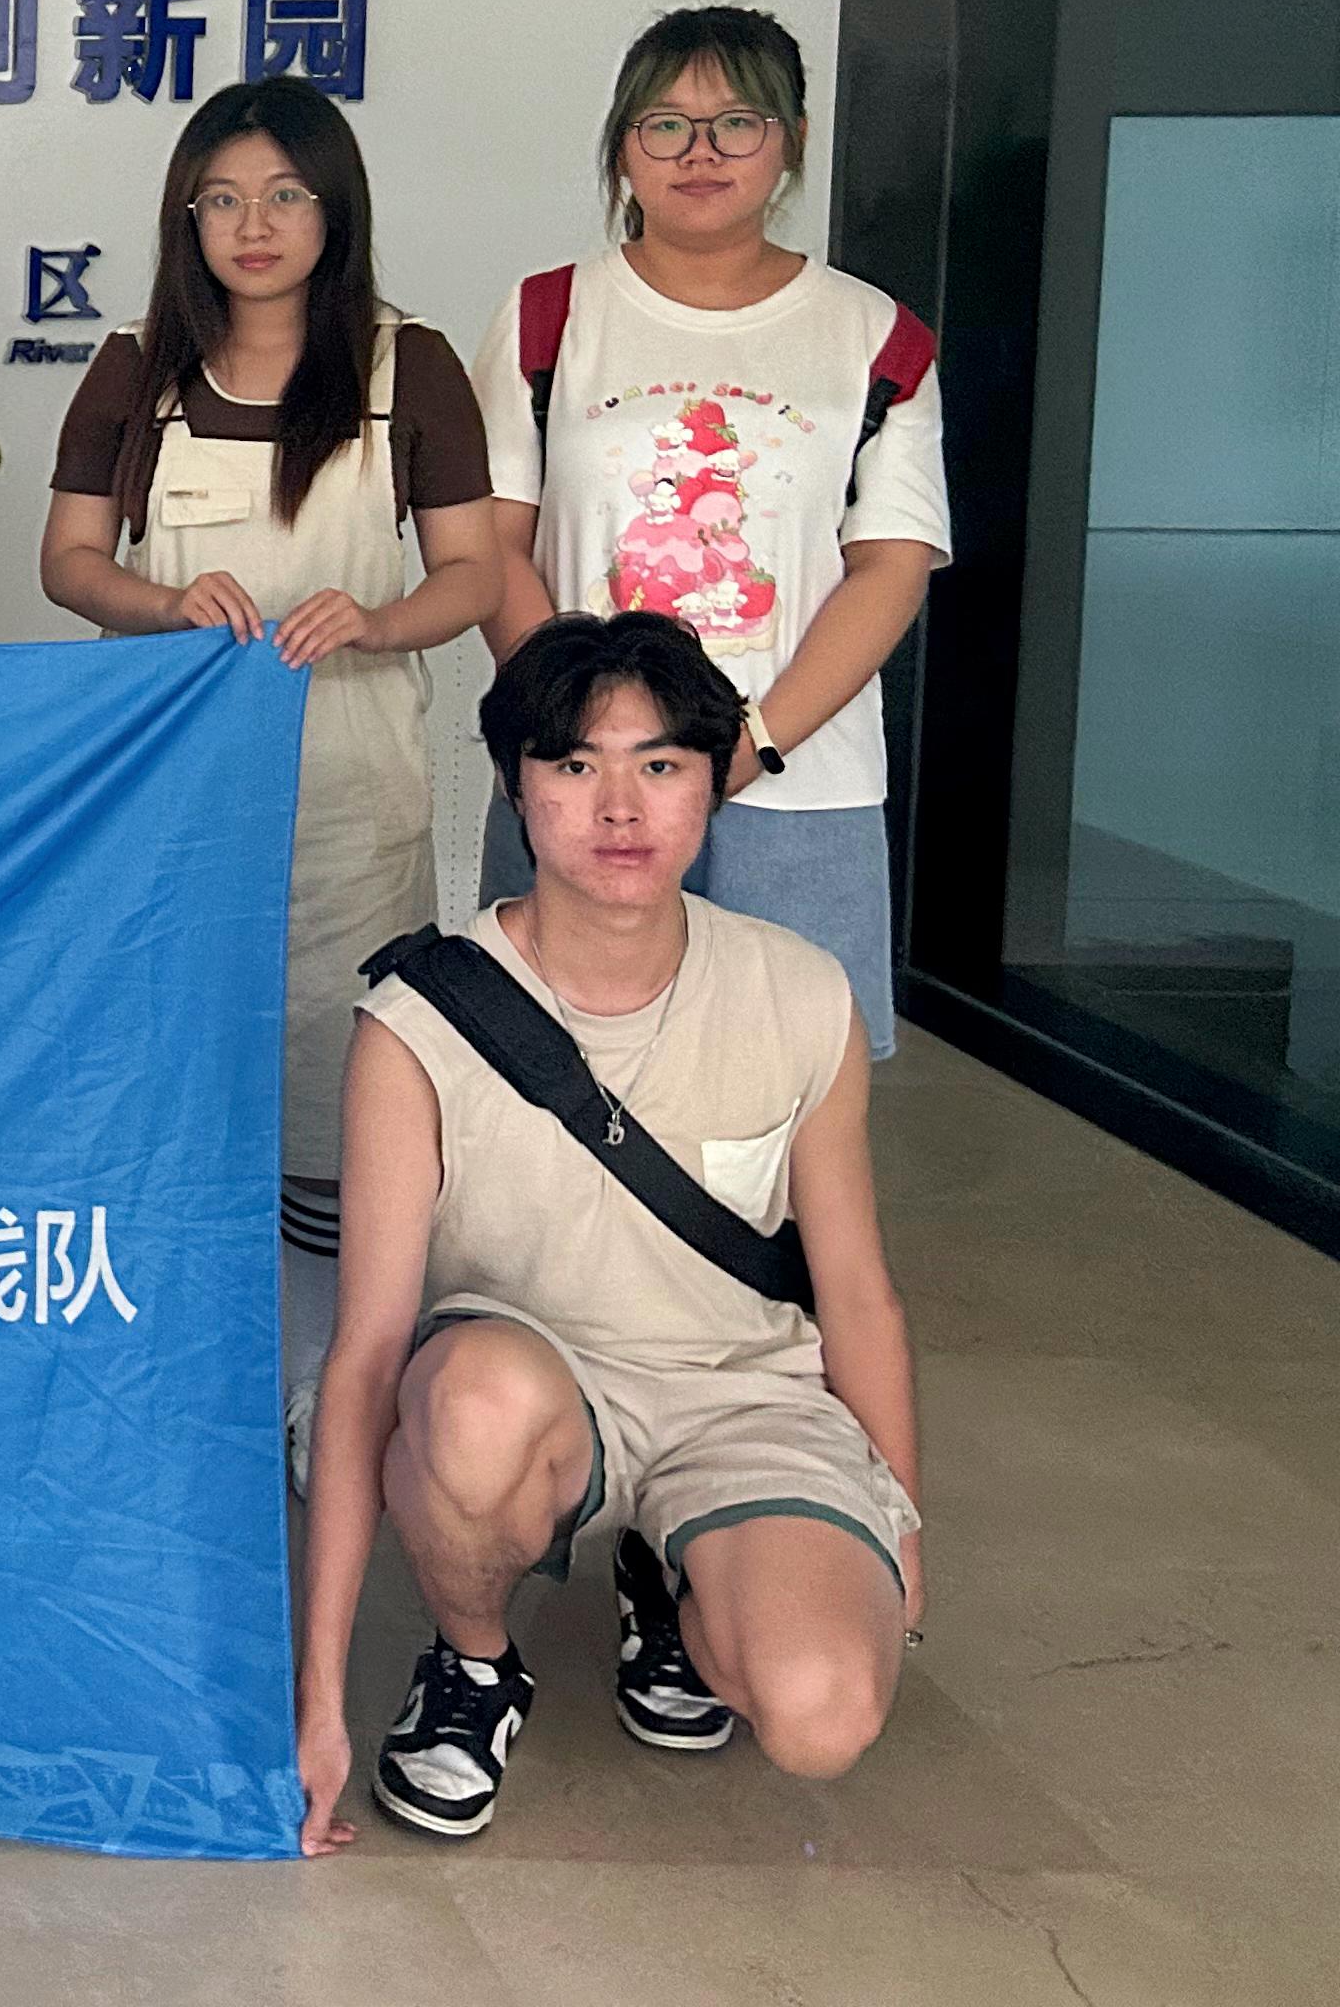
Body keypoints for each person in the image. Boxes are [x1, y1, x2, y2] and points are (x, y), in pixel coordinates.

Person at [296, 612, 923, 1855]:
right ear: (515, 786)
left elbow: (857, 1290)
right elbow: (364, 1355)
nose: (621, 808)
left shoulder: (802, 991)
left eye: (662, 764)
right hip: (529, 1387)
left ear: (713, 781)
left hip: (740, 1400)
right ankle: (475, 1663)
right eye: (577, 765)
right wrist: (319, 1698)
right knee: (466, 1407)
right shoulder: (418, 1024)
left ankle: (671, 1575)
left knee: (822, 1715)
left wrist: (900, 1517)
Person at [39, 78, 506, 1424]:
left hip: (351, 803)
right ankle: (184, 1380)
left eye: (286, 195)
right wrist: (162, 603)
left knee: (337, 1109)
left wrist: (377, 619)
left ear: (334, 209)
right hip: (174, 804)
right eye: (225, 199)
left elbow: (475, 574)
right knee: (177, 1089)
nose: (255, 226)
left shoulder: (407, 368)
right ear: (186, 217)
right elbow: (69, 561)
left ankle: (321, 1387)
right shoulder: (137, 368)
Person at [471, 6, 950, 1058]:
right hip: (578, 775)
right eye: (665, 125)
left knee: (789, 1076)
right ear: (621, 146)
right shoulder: (548, 315)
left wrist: (750, 744)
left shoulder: (875, 335)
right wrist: (587, 735)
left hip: (797, 784)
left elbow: (891, 566)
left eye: (736, 123)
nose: (700, 153)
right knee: (546, 1068)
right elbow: (491, 547)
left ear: (791, 140)